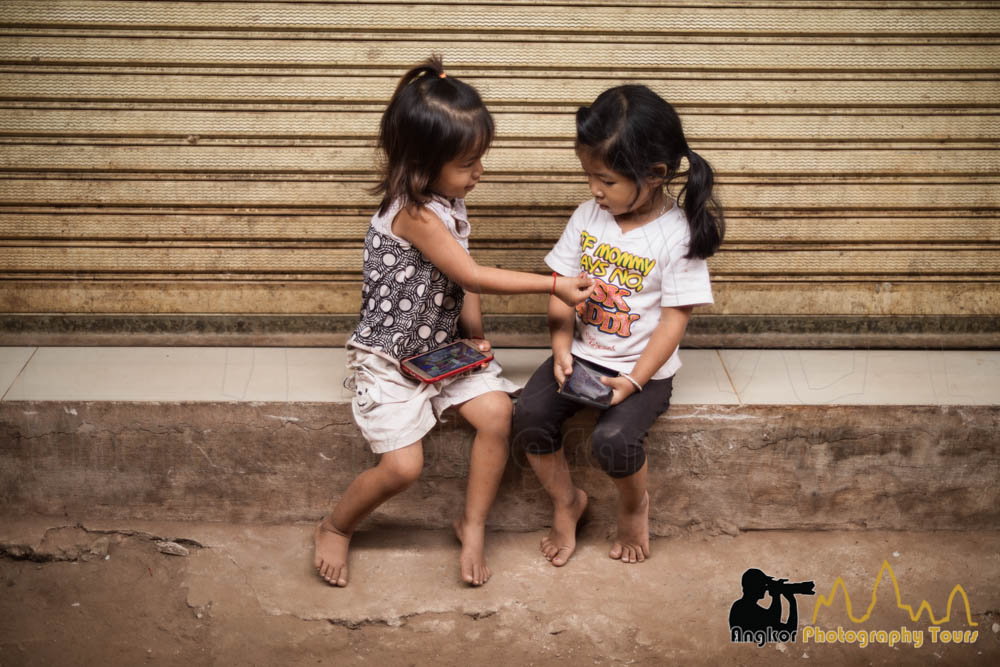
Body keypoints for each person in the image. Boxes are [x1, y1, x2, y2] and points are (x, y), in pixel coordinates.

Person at [314, 57, 594, 588]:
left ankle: (473, 522)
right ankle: (336, 526)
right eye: (469, 163)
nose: (479, 173)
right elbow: (473, 272)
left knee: (495, 415)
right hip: (392, 360)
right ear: (422, 163)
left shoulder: (446, 200)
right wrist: (555, 284)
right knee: (403, 469)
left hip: (439, 351)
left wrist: (473, 333)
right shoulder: (413, 213)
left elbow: (459, 282)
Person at [512, 84, 725, 567]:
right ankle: (568, 501)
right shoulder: (589, 217)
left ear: (654, 175)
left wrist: (633, 381)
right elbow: (562, 288)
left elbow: (675, 320)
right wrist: (562, 345)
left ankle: (634, 506)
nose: (594, 190)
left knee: (613, 441)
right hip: (584, 355)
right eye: (589, 176)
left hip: (643, 368)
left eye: (605, 180)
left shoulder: (677, 235)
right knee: (527, 416)